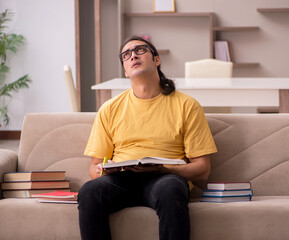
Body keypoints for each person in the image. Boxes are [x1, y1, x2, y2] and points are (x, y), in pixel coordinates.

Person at [77, 36, 217, 240]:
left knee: (170, 188)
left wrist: (164, 169)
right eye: (126, 55)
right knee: (90, 191)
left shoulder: (187, 105)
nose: (133, 55)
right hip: (120, 179)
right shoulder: (109, 109)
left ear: (156, 60)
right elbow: (94, 166)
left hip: (165, 179)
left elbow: (203, 169)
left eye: (140, 50)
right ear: (125, 70)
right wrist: (105, 170)